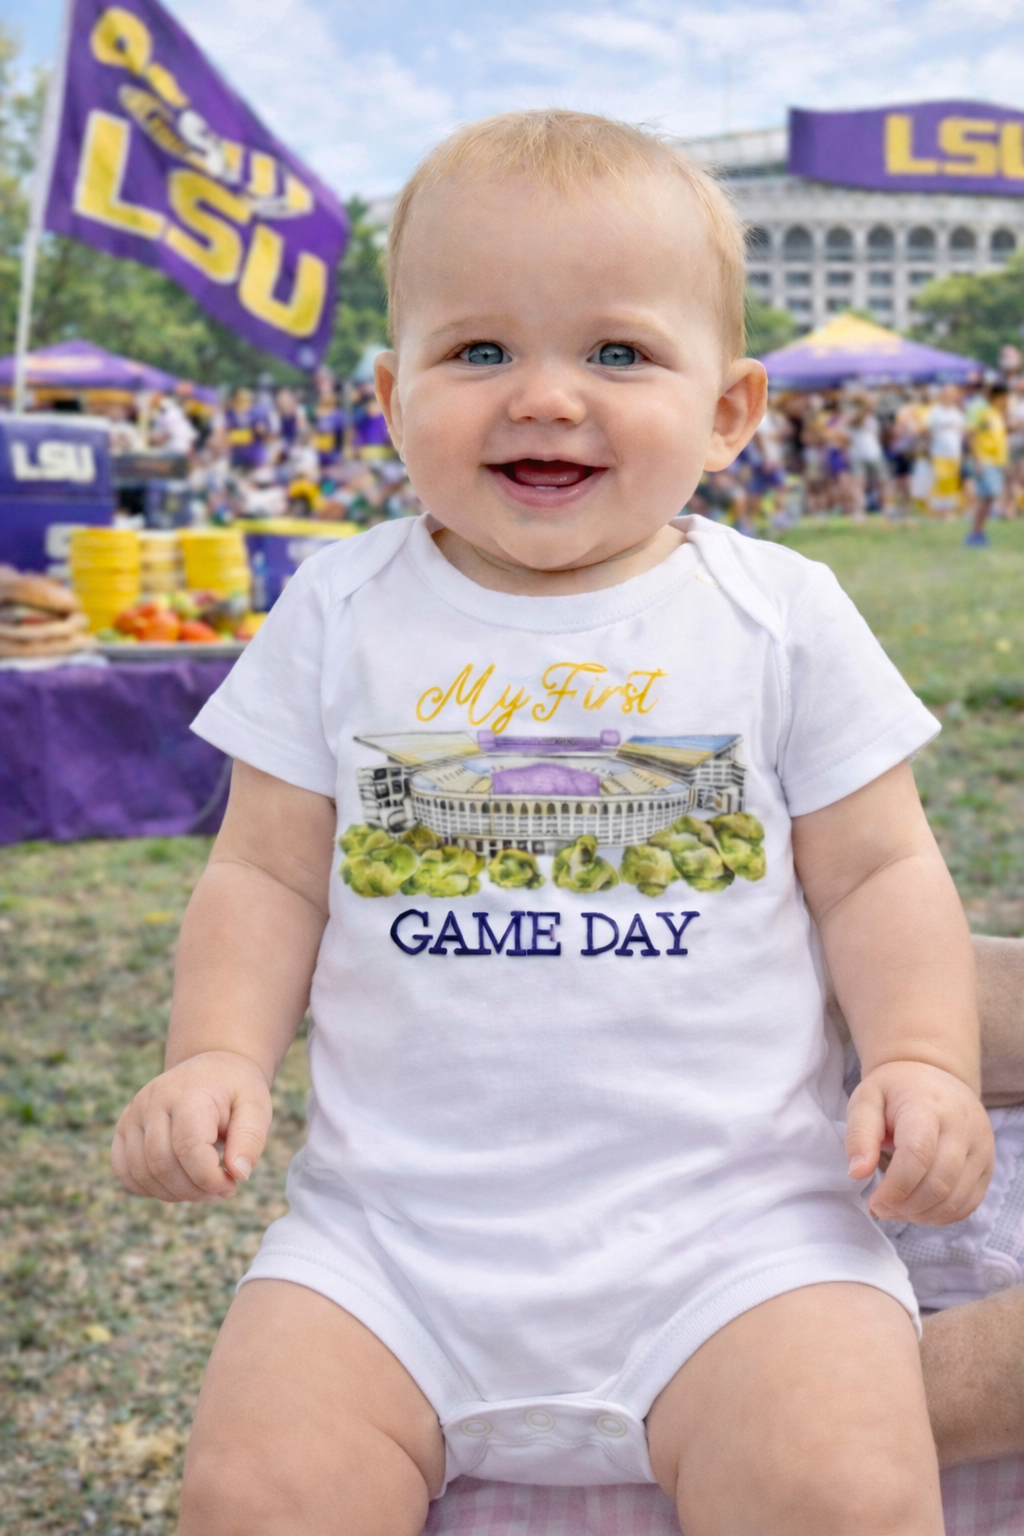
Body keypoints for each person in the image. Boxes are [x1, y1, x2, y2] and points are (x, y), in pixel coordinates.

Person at [112, 111, 994, 1536]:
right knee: (253, 1492)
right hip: (388, 1246)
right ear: (389, 390)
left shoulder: (779, 613)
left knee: (840, 1483)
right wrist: (215, 1052)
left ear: (730, 409)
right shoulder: (339, 607)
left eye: (616, 351)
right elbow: (267, 874)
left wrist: (922, 1058)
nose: (541, 397)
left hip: (741, 1238)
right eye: (478, 352)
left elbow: (881, 870)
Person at [964, 384, 1009, 546]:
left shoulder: (996, 414)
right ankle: (974, 534)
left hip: (996, 462)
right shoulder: (982, 412)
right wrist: (977, 460)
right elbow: (969, 435)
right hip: (985, 461)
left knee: (989, 498)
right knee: (985, 498)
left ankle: (980, 532)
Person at [926, 383, 966, 517]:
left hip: (955, 453)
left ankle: (949, 510)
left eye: (951, 394)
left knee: (952, 481)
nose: (949, 396)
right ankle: (938, 510)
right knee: (941, 480)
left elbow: (962, 430)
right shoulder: (935, 411)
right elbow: (928, 430)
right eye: (946, 393)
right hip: (939, 452)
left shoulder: (956, 412)